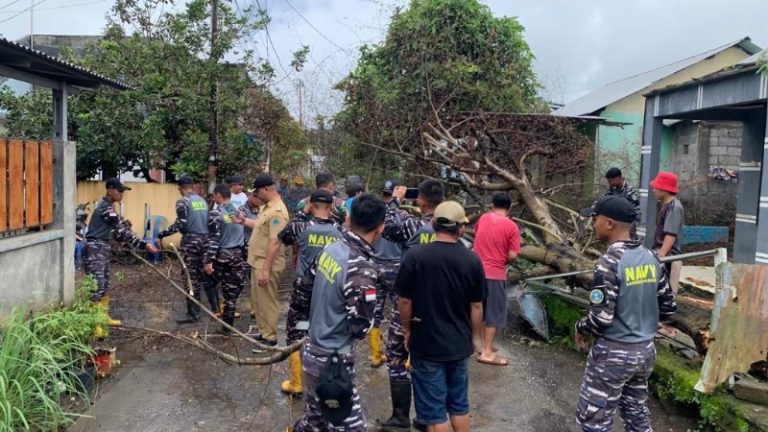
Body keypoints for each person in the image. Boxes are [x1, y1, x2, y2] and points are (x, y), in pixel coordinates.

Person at [575, 195, 677, 431]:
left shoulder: (609, 262)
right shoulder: (652, 258)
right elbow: (669, 307)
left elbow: (601, 318)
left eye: (595, 218)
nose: (593, 224)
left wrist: (580, 327)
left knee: (594, 421)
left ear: (609, 223)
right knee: (636, 416)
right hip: (645, 352)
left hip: (614, 353)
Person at [291, 194, 386, 432]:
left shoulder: (331, 249)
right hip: (333, 363)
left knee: (315, 420)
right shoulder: (362, 269)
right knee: (350, 426)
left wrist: (297, 330)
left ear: (349, 218)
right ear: (380, 228)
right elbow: (360, 327)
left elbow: (302, 289)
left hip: (312, 349)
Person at [395, 201, 484, 432]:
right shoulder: (472, 260)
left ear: (433, 224)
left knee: (434, 413)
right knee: (459, 406)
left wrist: (407, 330)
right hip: (459, 344)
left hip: (427, 345)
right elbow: (476, 306)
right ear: (461, 229)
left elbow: (404, 300)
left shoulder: (415, 256)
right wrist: (474, 339)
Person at [379, 180, 445, 431]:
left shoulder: (412, 225)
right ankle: (427, 416)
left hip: (407, 302)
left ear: (421, 201)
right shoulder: (449, 230)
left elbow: (386, 228)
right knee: (425, 360)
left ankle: (400, 417)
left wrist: (395, 201)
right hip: (435, 304)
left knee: (396, 356)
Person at [277, 189, 343, 396]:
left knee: (297, 331)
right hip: (330, 289)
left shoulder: (302, 226)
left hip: (304, 290)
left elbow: (283, 235)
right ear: (331, 207)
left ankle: (297, 382)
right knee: (327, 331)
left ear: (311, 205)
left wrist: (301, 214)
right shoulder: (339, 231)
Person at [84, 178, 158, 325]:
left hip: (102, 248)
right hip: (95, 249)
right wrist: (143, 245)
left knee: (104, 285)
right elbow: (122, 232)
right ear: (110, 190)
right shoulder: (106, 208)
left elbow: (117, 233)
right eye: (120, 190)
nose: (122, 193)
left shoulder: (108, 207)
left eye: (123, 191)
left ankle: (102, 319)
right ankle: (95, 325)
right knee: (96, 287)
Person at [157, 175, 216, 323]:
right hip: (205, 240)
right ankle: (216, 311)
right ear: (193, 186)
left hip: (191, 242)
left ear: (180, 188)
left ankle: (193, 314)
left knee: (190, 278)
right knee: (206, 276)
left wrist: (162, 234)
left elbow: (181, 225)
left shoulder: (183, 202)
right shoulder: (202, 201)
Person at [473, 192, 521, 366]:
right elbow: (513, 255)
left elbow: (478, 237)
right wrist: (504, 258)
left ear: (492, 205)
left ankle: (478, 343)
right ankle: (486, 353)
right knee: (494, 313)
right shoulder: (512, 227)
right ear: (510, 207)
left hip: (475, 271)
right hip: (495, 273)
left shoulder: (483, 219)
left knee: (478, 307)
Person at [242, 174, 289, 346]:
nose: (256, 195)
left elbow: (275, 241)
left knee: (267, 301)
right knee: (258, 301)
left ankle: (270, 337)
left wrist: (265, 269)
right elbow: (261, 226)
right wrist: (244, 221)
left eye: (257, 192)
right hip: (257, 261)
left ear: (267, 189)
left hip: (267, 263)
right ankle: (263, 331)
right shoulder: (267, 207)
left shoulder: (278, 211)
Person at [370, 180, 404, 373]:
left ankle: (375, 355)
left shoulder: (374, 216)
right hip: (394, 267)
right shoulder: (403, 217)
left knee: (375, 310)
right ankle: (396, 354)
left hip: (375, 265)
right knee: (399, 312)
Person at [204, 184, 246, 334]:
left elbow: (214, 240)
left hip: (223, 254)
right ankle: (227, 327)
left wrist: (208, 261)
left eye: (214, 196)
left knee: (208, 280)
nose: (213, 198)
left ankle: (215, 310)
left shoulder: (216, 213)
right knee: (231, 291)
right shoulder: (238, 212)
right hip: (237, 255)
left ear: (219, 196)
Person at [650, 171, 684, 293]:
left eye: (657, 187)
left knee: (666, 294)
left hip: (669, 257)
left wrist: (662, 256)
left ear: (665, 189)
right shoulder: (667, 205)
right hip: (664, 254)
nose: (654, 189)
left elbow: (671, 234)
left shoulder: (673, 208)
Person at [238, 190, 262, 321]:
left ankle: (255, 309)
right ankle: (230, 307)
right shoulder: (242, 209)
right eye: (254, 196)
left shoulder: (263, 209)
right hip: (244, 248)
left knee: (256, 281)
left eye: (259, 196)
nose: (257, 198)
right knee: (239, 280)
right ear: (249, 195)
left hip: (258, 248)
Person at [600, 168, 641, 239]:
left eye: (610, 181)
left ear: (618, 178)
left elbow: (637, 215)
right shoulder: (612, 190)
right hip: (613, 229)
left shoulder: (630, 193)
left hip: (627, 232)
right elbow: (603, 200)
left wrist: (628, 230)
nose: (610, 184)